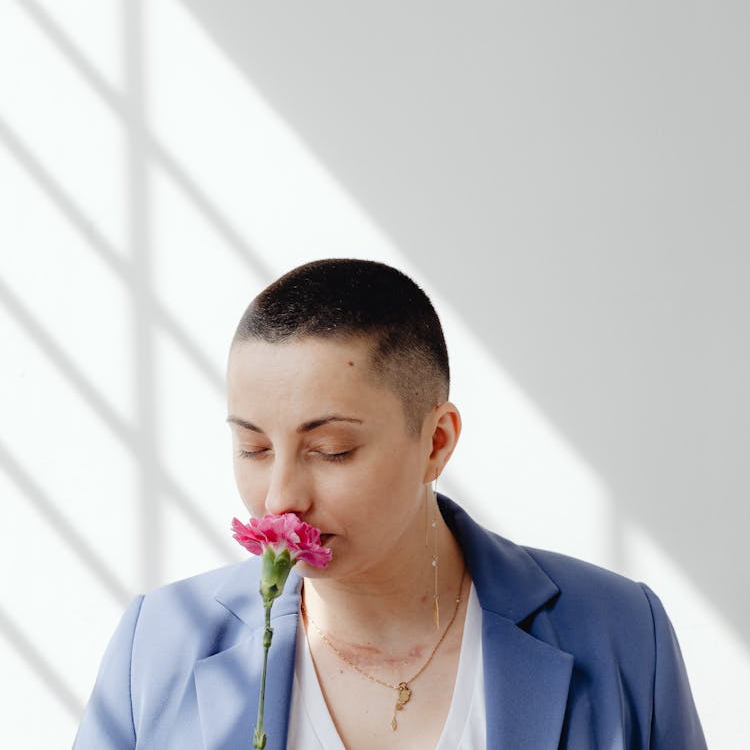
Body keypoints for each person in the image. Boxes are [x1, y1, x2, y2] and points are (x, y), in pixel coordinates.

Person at [74, 258, 707, 749]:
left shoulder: (623, 632)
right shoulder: (157, 645)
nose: (280, 497)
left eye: (331, 450)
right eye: (254, 447)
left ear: (436, 441)